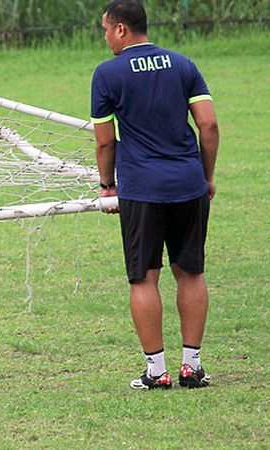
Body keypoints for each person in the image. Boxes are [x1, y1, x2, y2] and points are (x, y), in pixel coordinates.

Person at [91, 0, 219, 390]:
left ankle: (156, 371)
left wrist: (107, 185)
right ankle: (191, 367)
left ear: (121, 30)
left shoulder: (107, 73)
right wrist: (206, 177)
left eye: (105, 29)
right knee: (190, 272)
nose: (105, 37)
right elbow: (209, 125)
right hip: (187, 183)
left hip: (141, 189)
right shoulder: (183, 64)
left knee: (144, 277)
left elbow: (104, 143)